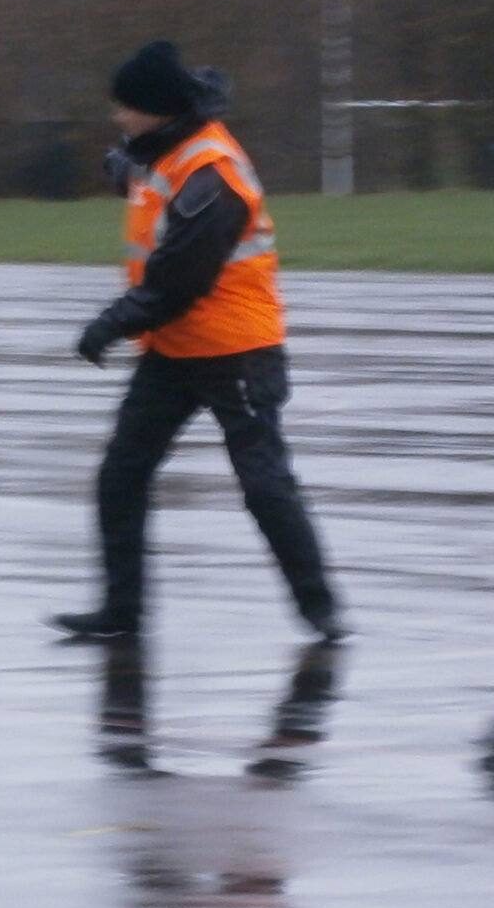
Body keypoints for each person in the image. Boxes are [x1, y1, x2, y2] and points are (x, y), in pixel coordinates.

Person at [51, 40, 345, 643]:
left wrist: (108, 324)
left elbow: (176, 282)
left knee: (264, 485)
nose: (117, 116)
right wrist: (123, 171)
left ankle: (322, 611)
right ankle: (121, 613)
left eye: (124, 107)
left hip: (237, 348)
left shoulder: (212, 175)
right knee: (121, 475)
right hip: (173, 350)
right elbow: (149, 179)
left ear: (155, 110)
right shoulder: (166, 149)